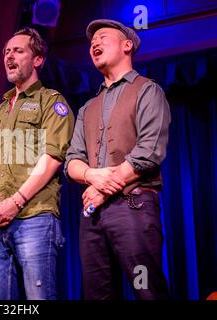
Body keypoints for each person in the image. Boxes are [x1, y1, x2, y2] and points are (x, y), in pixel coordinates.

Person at [65, 19, 171, 300]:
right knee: (98, 294)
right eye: (91, 42)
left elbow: (149, 151)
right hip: (93, 217)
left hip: (133, 208)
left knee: (145, 288)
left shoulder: (147, 90)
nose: (94, 44)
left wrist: (101, 188)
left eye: (102, 37)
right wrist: (90, 176)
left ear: (127, 45)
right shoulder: (87, 107)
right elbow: (72, 160)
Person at [0, 27, 74, 300]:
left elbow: (53, 158)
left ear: (38, 59)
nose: (9, 55)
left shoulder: (51, 102)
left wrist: (16, 202)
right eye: (6, 51)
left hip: (35, 218)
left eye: (18, 50)